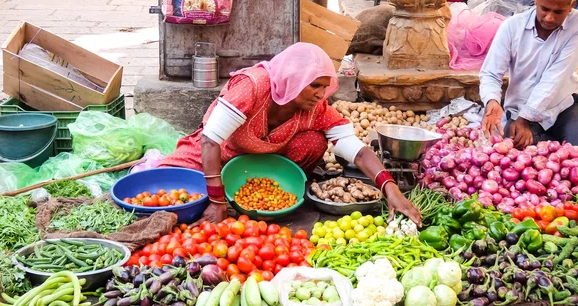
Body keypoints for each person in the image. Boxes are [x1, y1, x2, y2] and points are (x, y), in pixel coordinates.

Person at [159, 43, 421, 227]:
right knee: (167, 181)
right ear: (293, 78)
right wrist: (216, 201)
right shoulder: (253, 86)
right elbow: (210, 140)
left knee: (313, 142)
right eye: (314, 86)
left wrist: (391, 188)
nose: (321, 94)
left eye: (324, 86)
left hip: (268, 166)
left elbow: (358, 150)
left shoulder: (315, 108)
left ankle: (288, 188)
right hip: (223, 154)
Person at [480, 0, 578, 149]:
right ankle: (549, 141)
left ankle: (550, 140)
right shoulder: (512, 27)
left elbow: (554, 79)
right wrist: (492, 100)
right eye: (545, 9)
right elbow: (490, 73)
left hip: (562, 106)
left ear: (571, 5)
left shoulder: (576, 27)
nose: (549, 17)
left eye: (558, 12)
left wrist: (526, 118)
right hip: (519, 109)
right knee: (515, 147)